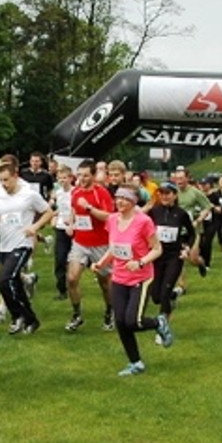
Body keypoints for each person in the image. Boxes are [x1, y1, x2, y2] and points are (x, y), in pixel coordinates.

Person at [94, 186, 170, 376]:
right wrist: (101, 263)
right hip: (119, 277)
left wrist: (140, 262)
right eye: (117, 198)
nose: (119, 201)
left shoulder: (143, 222)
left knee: (133, 321)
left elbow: (157, 249)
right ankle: (135, 363)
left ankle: (158, 323)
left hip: (141, 277)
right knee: (120, 322)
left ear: (134, 201)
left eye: (125, 199)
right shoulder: (112, 220)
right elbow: (115, 247)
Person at [0, 155, 53, 335]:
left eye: (6, 180)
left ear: (15, 176)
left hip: (22, 244)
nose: (4, 184)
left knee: (3, 279)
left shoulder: (29, 194)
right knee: (11, 283)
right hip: (4, 244)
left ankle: (18, 316)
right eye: (1, 181)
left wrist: (35, 227)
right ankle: (29, 319)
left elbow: (48, 212)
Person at [65, 159, 116, 332]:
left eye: (86, 175)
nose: (82, 178)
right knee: (72, 278)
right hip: (80, 241)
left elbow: (108, 216)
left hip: (100, 243)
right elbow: (73, 209)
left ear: (93, 176)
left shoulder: (101, 193)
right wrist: (71, 224)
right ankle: (77, 315)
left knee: (104, 283)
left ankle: (110, 312)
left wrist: (89, 208)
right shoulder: (76, 192)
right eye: (79, 175)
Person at [147, 182, 196, 329]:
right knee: (155, 296)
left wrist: (186, 248)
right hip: (157, 256)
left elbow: (191, 233)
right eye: (161, 193)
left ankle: (163, 328)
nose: (164, 196)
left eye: (168, 193)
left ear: (175, 195)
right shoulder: (154, 212)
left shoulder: (181, 214)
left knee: (164, 293)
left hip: (174, 256)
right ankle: (173, 296)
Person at [50, 164, 75, 300]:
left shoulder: (75, 192)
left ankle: (73, 284)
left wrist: (71, 223)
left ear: (71, 178)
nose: (62, 181)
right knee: (59, 259)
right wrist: (53, 216)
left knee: (72, 260)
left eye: (65, 178)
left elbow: (75, 210)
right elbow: (59, 208)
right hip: (60, 228)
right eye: (60, 178)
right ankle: (61, 290)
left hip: (74, 229)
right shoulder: (58, 193)